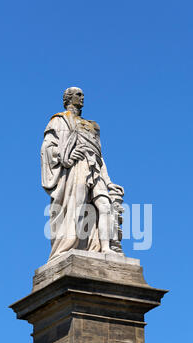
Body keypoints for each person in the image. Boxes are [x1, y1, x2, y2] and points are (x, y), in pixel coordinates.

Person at [41, 87, 124, 260]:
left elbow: (99, 156)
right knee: (77, 207)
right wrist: (66, 157)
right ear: (68, 98)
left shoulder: (93, 126)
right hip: (76, 168)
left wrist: (108, 182)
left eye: (83, 94)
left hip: (94, 168)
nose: (82, 97)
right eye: (79, 95)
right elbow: (47, 147)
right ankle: (68, 245)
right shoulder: (59, 121)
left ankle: (106, 248)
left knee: (105, 206)